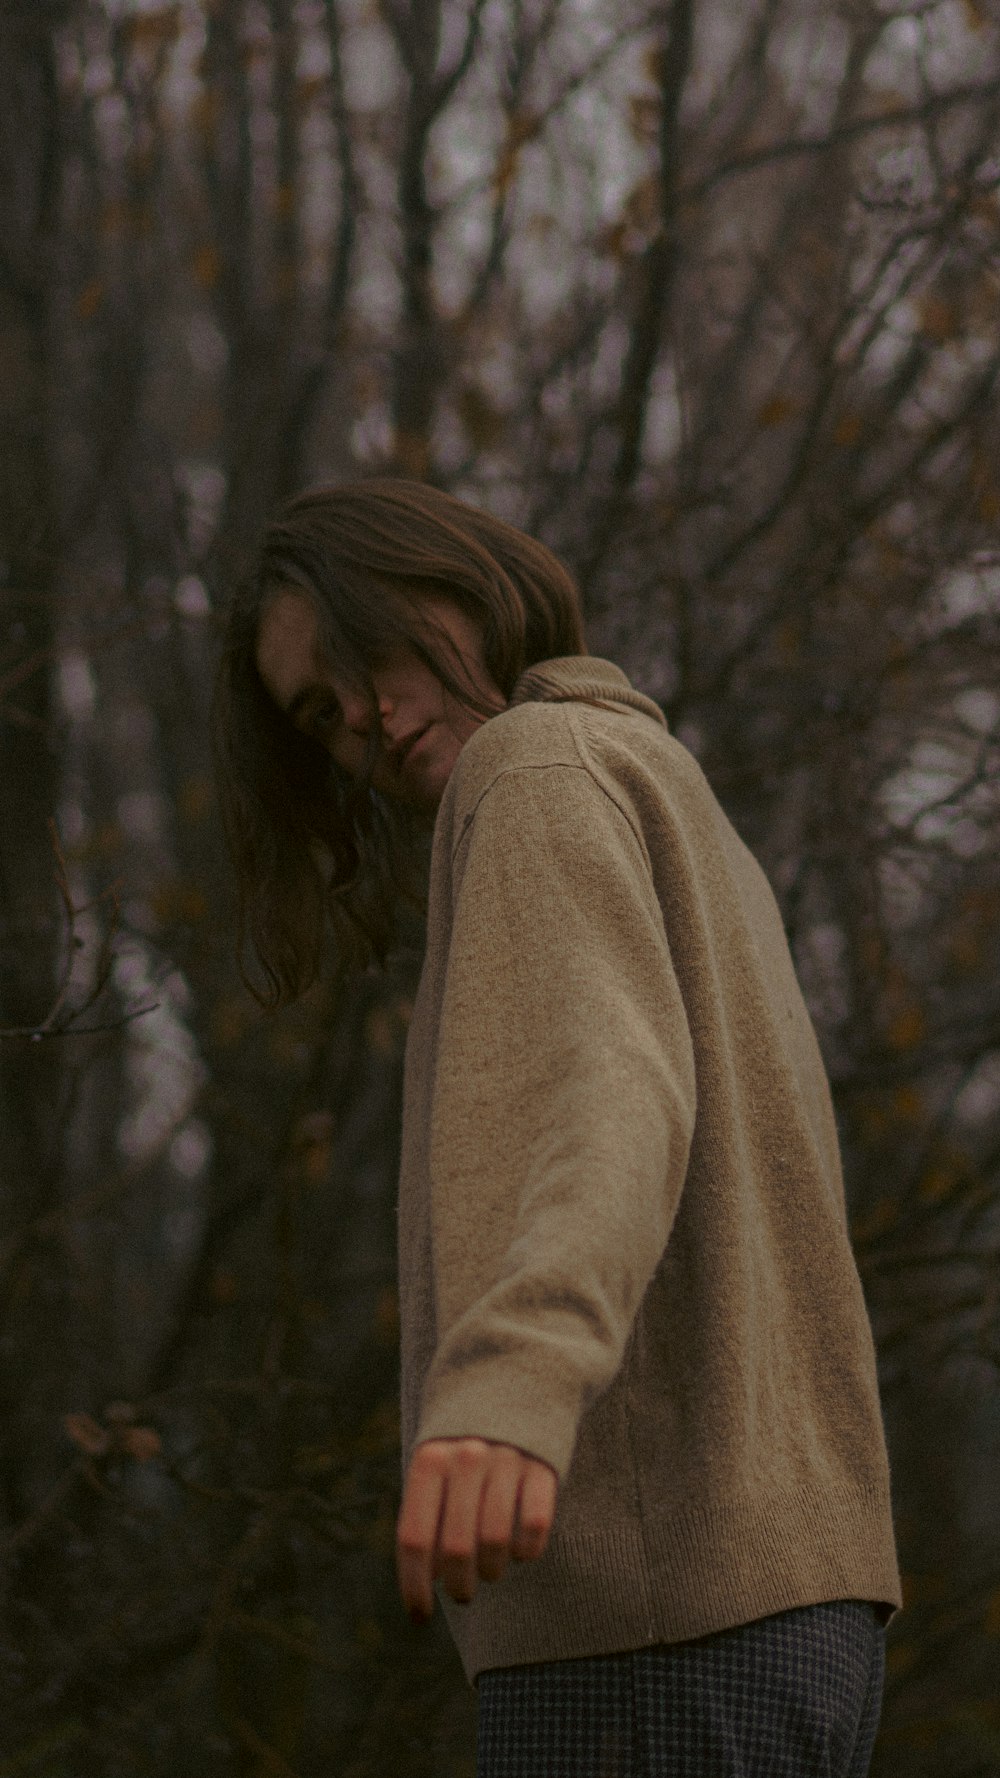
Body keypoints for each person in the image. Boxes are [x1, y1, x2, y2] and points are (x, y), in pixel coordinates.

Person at [213, 476, 902, 1777]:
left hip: (648, 1631)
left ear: (454, 581)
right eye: (316, 715)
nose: (359, 715)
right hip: (782, 1611)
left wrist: (511, 1374)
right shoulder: (651, 776)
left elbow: (609, 1093)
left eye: (363, 653)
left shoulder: (530, 771)